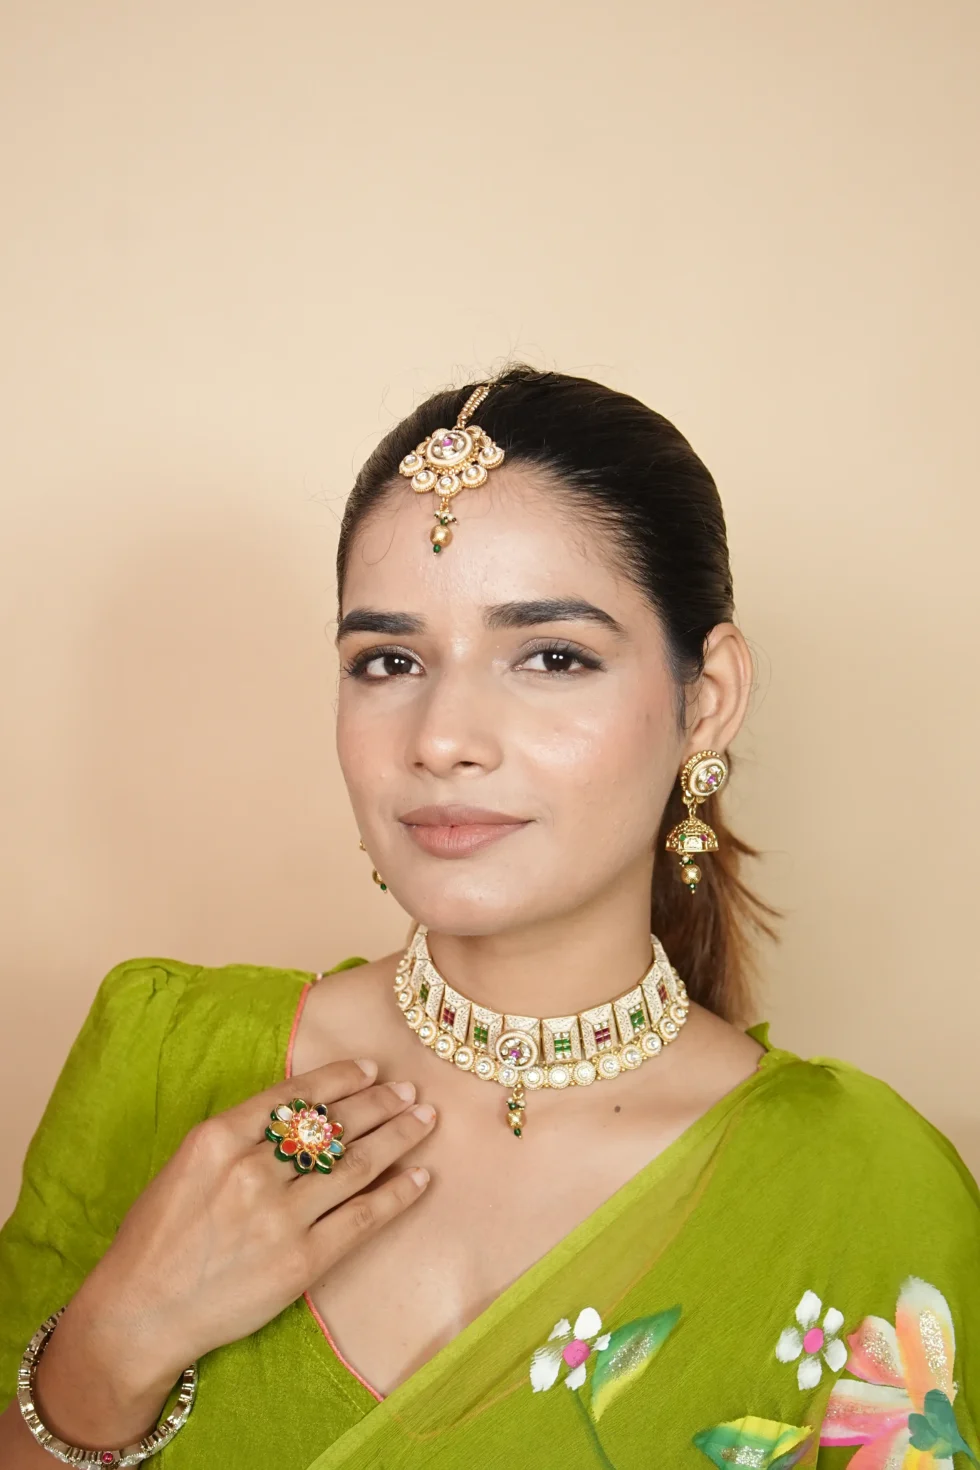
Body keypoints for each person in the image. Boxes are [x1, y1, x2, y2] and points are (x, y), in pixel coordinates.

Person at [1, 367, 977, 1470]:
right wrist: (112, 1350)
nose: (439, 738)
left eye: (552, 656)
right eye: (388, 661)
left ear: (706, 701)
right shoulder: (167, 1061)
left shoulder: (861, 1189)